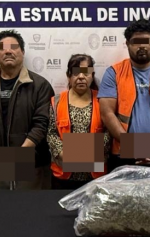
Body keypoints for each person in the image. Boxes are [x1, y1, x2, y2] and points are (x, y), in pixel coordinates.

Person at [0, 29, 54, 189]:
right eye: (2, 48)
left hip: (29, 158)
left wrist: (20, 156)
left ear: (23, 52)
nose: (8, 51)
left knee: (27, 203)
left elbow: (42, 123)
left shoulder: (40, 85)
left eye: (13, 47)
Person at [98, 19, 150, 173]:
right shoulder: (113, 72)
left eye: (146, 41)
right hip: (124, 152)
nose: (142, 46)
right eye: (136, 42)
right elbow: (107, 113)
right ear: (127, 44)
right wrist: (134, 147)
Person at [47, 54, 110, 190]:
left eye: (86, 73)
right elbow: (51, 134)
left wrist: (79, 153)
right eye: (76, 73)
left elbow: (109, 133)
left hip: (95, 176)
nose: (81, 77)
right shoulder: (56, 101)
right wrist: (65, 154)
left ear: (92, 75)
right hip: (63, 177)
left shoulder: (102, 100)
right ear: (68, 76)